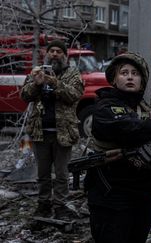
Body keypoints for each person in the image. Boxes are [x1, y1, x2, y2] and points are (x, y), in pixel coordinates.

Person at [84, 52, 151, 243]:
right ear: (114, 79)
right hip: (111, 196)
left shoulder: (147, 110)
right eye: (124, 72)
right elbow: (130, 129)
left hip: (142, 194)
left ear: (141, 81)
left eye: (135, 73)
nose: (129, 76)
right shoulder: (105, 107)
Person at [20, 39, 84, 220]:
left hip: (63, 133)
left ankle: (61, 206)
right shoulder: (36, 73)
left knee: (62, 174)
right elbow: (24, 95)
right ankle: (43, 205)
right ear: (46, 54)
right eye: (51, 51)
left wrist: (54, 82)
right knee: (43, 173)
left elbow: (74, 95)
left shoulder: (72, 73)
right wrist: (37, 83)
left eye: (58, 51)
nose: (54, 54)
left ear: (65, 55)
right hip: (40, 132)